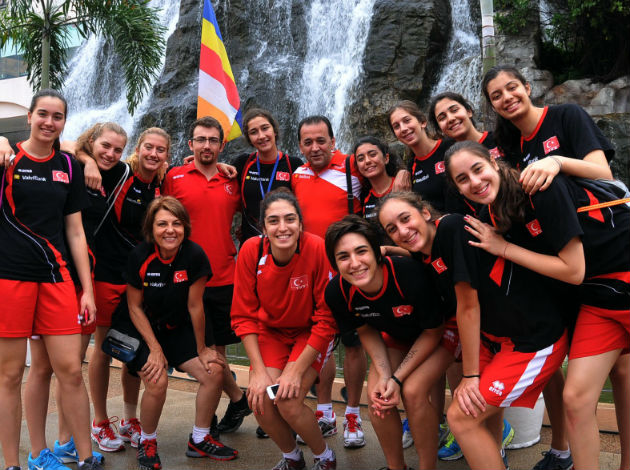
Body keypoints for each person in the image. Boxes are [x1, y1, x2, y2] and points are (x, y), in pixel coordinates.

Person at [445, 141, 629, 470]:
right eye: (462, 179)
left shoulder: (541, 187)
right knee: (576, 399)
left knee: (621, 379)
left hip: (618, 278)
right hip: (597, 298)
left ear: (494, 161)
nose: (474, 181)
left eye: (478, 169)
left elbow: (573, 271)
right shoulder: (490, 215)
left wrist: (503, 248)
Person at [482, 64, 629, 470]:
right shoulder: (509, 147)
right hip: (585, 278)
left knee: (622, 375)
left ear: (528, 86)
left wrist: (557, 162)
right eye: (496, 95)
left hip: (612, 250)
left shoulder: (566, 116)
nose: (507, 97)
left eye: (512, 87)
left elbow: (605, 175)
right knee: (586, 390)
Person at [378, 191, 570, 470]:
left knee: (462, 416)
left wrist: (470, 375)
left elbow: (468, 306)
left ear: (425, 212)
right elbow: (421, 253)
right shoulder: (425, 252)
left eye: (405, 219)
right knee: (475, 414)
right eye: (392, 229)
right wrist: (391, 251)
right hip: (496, 340)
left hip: (532, 339)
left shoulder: (452, 228)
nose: (402, 231)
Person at [0, 89, 103, 470]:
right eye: (42, 114)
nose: (49, 122)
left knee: (71, 370)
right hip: (10, 278)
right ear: (29, 116)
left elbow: (75, 231)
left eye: (57, 116)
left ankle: (86, 457)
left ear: (64, 123)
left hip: (57, 279)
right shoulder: (8, 159)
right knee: (10, 375)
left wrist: (87, 291)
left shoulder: (68, 166)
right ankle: (15, 463)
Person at [325, 215, 453, 470]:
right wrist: (385, 376)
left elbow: (433, 331)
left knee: (413, 391)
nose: (355, 263)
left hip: (442, 331)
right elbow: (366, 331)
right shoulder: (337, 291)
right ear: (334, 263)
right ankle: (397, 467)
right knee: (378, 396)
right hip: (399, 336)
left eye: (362, 251)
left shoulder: (407, 274)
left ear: (377, 252)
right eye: (343, 257)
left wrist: (397, 378)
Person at [74, 126, 170, 452]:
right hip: (106, 273)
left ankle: (130, 419)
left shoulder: (161, 184)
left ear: (166, 155)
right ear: (138, 149)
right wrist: (88, 160)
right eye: (148, 147)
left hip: (139, 280)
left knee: (134, 347)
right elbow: (74, 147)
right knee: (103, 347)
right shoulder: (118, 173)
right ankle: (100, 422)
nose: (153, 154)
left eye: (160, 150)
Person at [124, 196, 237, 470]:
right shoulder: (140, 256)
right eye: (162, 224)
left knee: (214, 370)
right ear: (151, 228)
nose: (170, 230)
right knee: (157, 379)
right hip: (142, 330)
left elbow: (195, 306)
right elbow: (134, 307)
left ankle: (200, 438)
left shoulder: (194, 255)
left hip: (176, 327)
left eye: (176, 223)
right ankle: (147, 441)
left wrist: (203, 348)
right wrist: (154, 349)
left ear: (185, 226)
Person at [231, 189, 338, 470]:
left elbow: (326, 320)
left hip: (309, 332)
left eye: (290, 219)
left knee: (288, 401)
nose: (283, 227)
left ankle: (325, 457)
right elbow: (243, 316)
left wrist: (294, 371)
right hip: (271, 333)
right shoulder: (251, 251)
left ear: (300, 223)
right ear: (263, 227)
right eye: (274, 220)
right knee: (260, 400)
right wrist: (258, 371)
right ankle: (292, 458)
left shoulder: (317, 248)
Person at [162, 116, 250, 440]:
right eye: (201, 139)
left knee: (216, 354)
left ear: (222, 145)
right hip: (186, 280)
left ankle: (216, 415)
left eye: (213, 140)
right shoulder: (174, 177)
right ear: (191, 144)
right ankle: (235, 402)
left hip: (225, 277)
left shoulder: (233, 181)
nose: (207, 145)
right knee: (205, 355)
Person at [291, 115, 368, 449]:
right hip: (312, 274)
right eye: (307, 142)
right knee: (319, 342)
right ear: (299, 145)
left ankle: (352, 413)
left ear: (334, 141)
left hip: (349, 273)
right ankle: (324, 413)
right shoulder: (297, 174)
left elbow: (385, 179)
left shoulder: (354, 167)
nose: (315, 147)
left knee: (353, 343)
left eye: (321, 140)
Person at [232, 108, 303, 243]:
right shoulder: (242, 163)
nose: (261, 136)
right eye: (254, 132)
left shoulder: (294, 164)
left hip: (284, 240)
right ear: (249, 138)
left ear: (274, 130)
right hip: (251, 243)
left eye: (265, 128)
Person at [388, 101, 455, 212]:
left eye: (407, 120)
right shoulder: (411, 167)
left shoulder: (450, 146)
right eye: (396, 126)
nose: (403, 128)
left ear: (422, 122)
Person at [428, 91, 502, 159]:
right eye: (442, 118)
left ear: (469, 111)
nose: (450, 119)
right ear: (439, 128)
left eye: (454, 110)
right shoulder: (445, 158)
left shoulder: (501, 139)